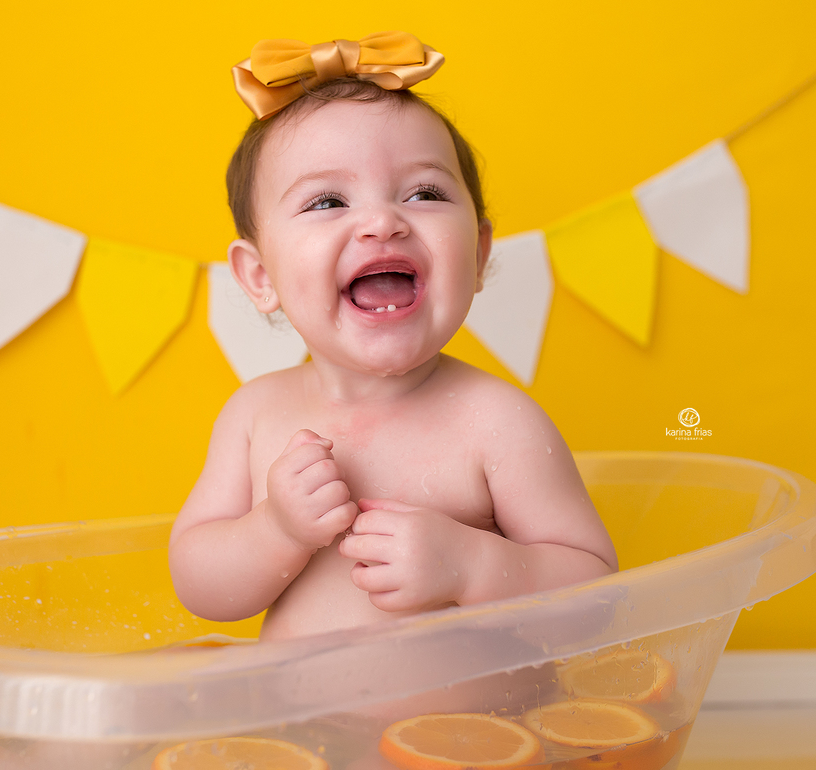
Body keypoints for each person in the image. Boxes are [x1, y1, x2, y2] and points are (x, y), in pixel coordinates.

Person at [170, 32, 617, 641]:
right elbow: (201, 588)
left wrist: (474, 566)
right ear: (260, 277)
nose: (382, 221)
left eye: (424, 193)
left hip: (473, 735)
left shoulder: (497, 422)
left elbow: (596, 597)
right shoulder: (254, 416)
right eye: (327, 201)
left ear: (480, 254)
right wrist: (275, 528)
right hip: (300, 735)